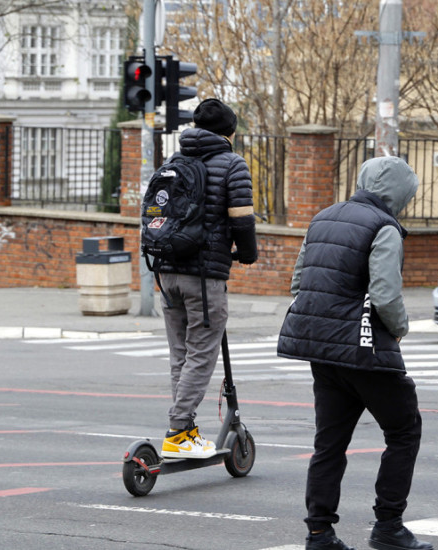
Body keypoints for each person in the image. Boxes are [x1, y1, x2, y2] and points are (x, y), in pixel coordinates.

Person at [277, 156, 432, 550]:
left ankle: (319, 533)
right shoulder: (385, 227)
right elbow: (384, 294)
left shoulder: (323, 217)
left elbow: (298, 282)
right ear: (399, 193)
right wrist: (399, 330)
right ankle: (388, 527)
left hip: (322, 351)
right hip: (365, 351)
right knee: (404, 430)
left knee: (329, 443)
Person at [158, 98, 258, 459]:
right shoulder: (233, 164)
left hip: (166, 270)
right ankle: (179, 428)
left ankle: (184, 429)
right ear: (230, 132)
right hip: (204, 275)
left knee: (181, 355)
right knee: (202, 353)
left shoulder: (173, 161)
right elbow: (242, 220)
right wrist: (247, 254)